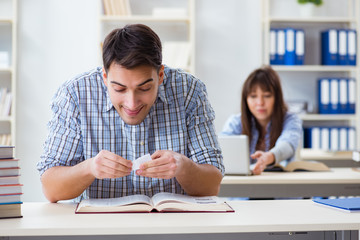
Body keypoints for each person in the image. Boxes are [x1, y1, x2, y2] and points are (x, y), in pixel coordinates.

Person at [37, 24, 224, 203]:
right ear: (105, 77)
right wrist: (89, 168)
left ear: (160, 76)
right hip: (98, 232)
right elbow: (51, 189)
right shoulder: (75, 94)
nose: (132, 103)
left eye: (144, 88)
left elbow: (212, 186)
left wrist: (184, 167)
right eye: (119, 89)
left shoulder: (189, 91)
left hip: (170, 230)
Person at [221, 66, 302, 175]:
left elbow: (287, 145)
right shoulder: (235, 122)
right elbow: (222, 146)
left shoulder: (291, 120)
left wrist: (269, 157)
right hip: (244, 187)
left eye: (267, 96)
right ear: (246, 100)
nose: (260, 102)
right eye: (253, 96)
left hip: (281, 186)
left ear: (277, 98)